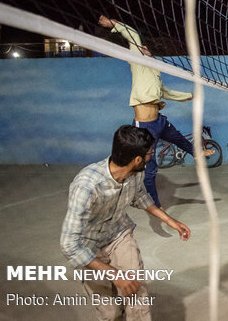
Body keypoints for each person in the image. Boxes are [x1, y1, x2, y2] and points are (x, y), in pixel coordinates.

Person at [60, 125, 191, 320]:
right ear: (137, 159)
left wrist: (170, 221)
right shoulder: (86, 186)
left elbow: (139, 196)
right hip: (88, 248)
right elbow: (69, 245)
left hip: (119, 235)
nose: (151, 157)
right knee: (110, 313)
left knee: (137, 294)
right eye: (149, 153)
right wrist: (114, 274)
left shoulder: (136, 172)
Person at [97, 15, 213, 209]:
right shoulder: (137, 62)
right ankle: (154, 205)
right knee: (150, 170)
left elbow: (166, 92)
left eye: (145, 48)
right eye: (140, 48)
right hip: (144, 126)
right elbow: (132, 33)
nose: (143, 48)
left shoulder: (155, 72)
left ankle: (197, 154)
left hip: (159, 121)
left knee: (179, 138)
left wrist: (189, 96)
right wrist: (113, 24)